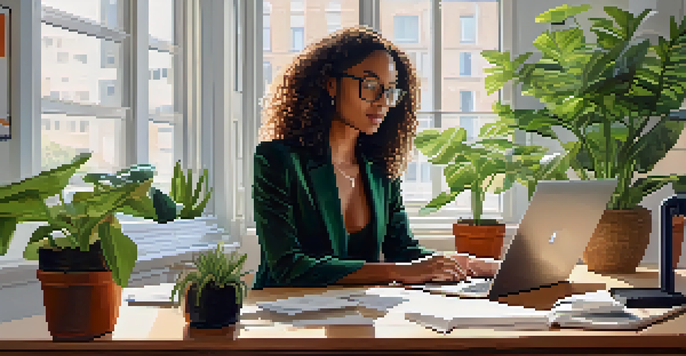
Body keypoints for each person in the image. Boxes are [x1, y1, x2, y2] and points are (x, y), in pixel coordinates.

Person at [251, 26, 500, 289]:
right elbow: (288, 267)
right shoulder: (277, 160)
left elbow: (402, 250)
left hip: (357, 317)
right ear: (331, 84)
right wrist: (398, 271)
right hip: (283, 318)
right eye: (370, 85)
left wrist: (470, 264)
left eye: (390, 90)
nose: (383, 102)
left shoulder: (380, 168)